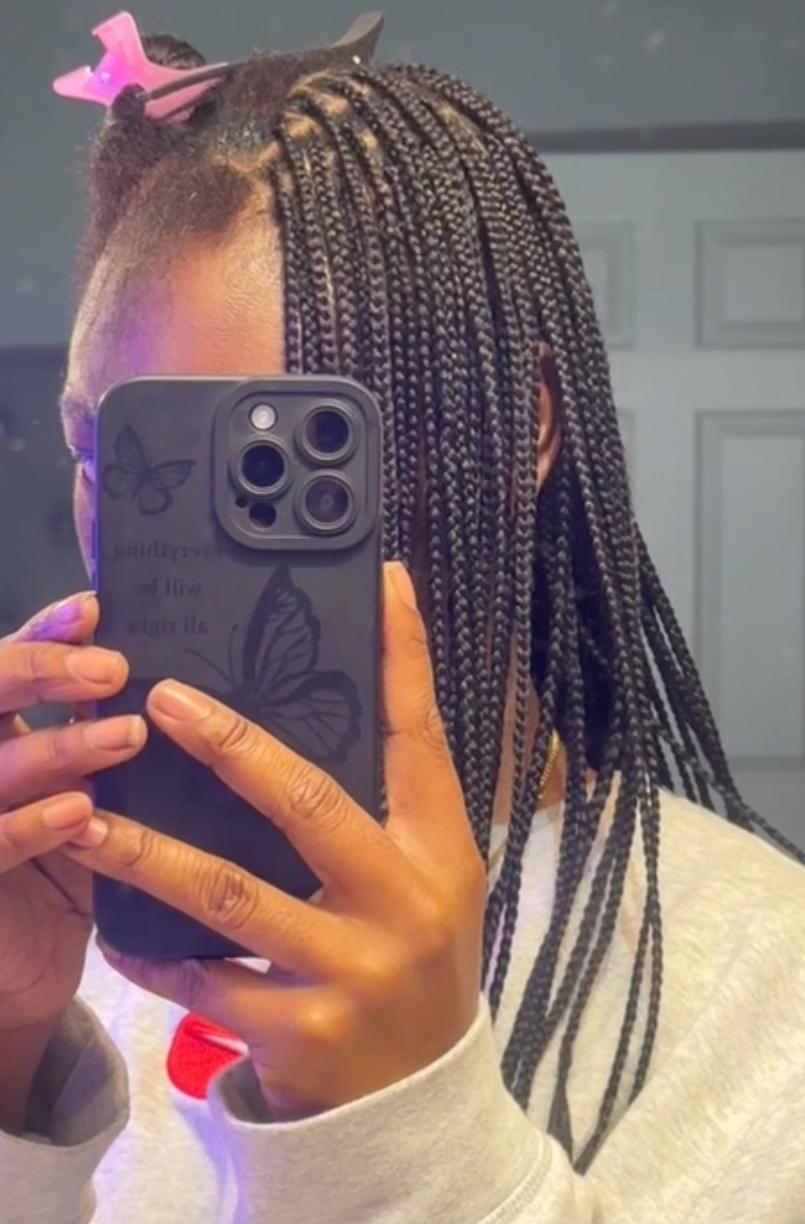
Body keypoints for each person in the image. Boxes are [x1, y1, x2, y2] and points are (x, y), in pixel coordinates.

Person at [2, 14, 804, 1224]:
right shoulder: (77, 923)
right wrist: (12, 1058)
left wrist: (404, 1135)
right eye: (111, 449)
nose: (152, 529)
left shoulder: (767, 992)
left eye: (281, 457)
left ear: (521, 425)